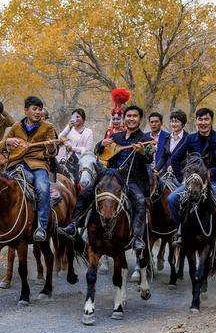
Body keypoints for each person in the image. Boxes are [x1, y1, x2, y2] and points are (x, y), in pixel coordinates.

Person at [59, 105, 156, 251]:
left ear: (140, 119)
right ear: (124, 119)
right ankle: (74, 224)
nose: (131, 119)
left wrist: (142, 152)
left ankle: (137, 237)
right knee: (86, 192)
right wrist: (101, 144)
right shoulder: (116, 136)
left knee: (140, 201)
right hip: (109, 177)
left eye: (135, 116)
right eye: (128, 116)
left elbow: (149, 157)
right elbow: (99, 152)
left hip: (131, 179)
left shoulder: (146, 139)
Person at [168, 108, 216, 254]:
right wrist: (182, 180)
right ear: (196, 121)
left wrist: (211, 172)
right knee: (172, 199)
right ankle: (180, 231)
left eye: (206, 119)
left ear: (211, 121)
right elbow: (175, 158)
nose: (203, 122)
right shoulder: (190, 139)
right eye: (200, 119)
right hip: (194, 182)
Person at [0, 96, 58, 242]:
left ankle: (41, 227)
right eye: (34, 109)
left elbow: (53, 152)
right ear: (26, 110)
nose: (38, 112)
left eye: (40, 109)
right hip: (16, 164)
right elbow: (0, 146)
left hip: (38, 165)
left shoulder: (47, 127)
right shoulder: (16, 127)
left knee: (43, 189)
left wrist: (50, 147)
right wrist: (8, 141)